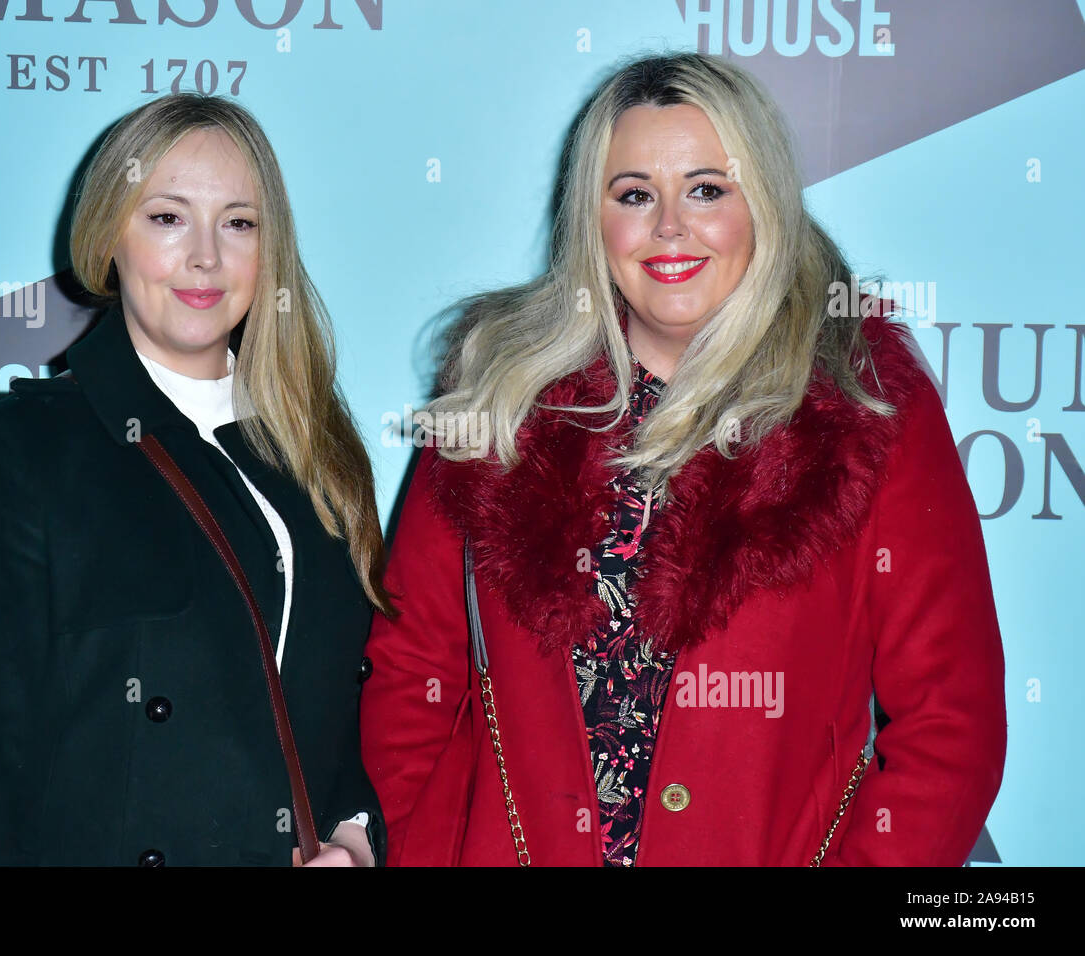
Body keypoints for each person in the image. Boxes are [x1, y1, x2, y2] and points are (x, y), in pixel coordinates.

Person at [359, 52, 1006, 866]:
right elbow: (410, 674)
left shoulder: (864, 405)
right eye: (635, 195)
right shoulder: (499, 402)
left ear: (762, 202)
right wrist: (415, 845)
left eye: (707, 189)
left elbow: (954, 723)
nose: (670, 228)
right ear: (592, 220)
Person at [0, 92, 389, 866]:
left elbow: (349, 718)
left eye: (238, 222)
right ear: (110, 238)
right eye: (167, 218)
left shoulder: (321, 456)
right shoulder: (18, 450)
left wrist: (355, 837)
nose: (206, 257)